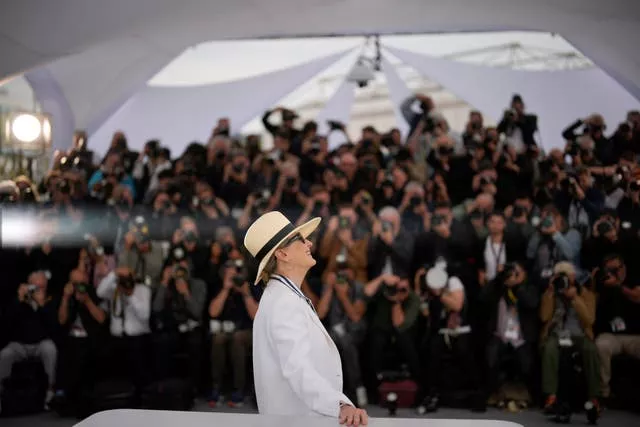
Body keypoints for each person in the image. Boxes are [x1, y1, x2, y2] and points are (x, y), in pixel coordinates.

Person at [244, 211, 368, 425]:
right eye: (300, 240)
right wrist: (339, 404)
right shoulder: (283, 303)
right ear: (282, 254)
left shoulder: (281, 297)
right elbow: (297, 368)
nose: (309, 243)